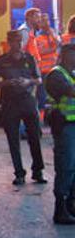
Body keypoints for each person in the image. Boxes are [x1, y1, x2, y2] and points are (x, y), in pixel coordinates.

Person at [0, 30, 46, 186]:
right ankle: (19, 173)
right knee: (13, 140)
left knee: (34, 137)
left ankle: (38, 171)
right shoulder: (2, 60)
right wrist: (7, 83)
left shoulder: (29, 58)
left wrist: (28, 82)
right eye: (14, 41)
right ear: (9, 42)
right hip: (10, 103)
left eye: (20, 41)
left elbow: (39, 79)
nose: (18, 44)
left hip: (28, 102)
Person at [44, 45, 75, 224]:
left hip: (72, 126)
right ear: (65, 56)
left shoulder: (70, 73)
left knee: (73, 168)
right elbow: (71, 91)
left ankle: (70, 205)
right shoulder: (57, 75)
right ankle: (60, 209)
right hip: (64, 127)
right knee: (66, 167)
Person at [34, 13, 61, 116]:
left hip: (53, 70)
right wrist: (52, 49)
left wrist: (50, 32)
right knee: (42, 96)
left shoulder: (51, 33)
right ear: (39, 23)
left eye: (47, 20)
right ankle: (39, 120)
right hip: (42, 71)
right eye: (43, 21)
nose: (46, 23)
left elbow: (58, 42)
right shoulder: (37, 36)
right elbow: (39, 51)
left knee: (54, 96)